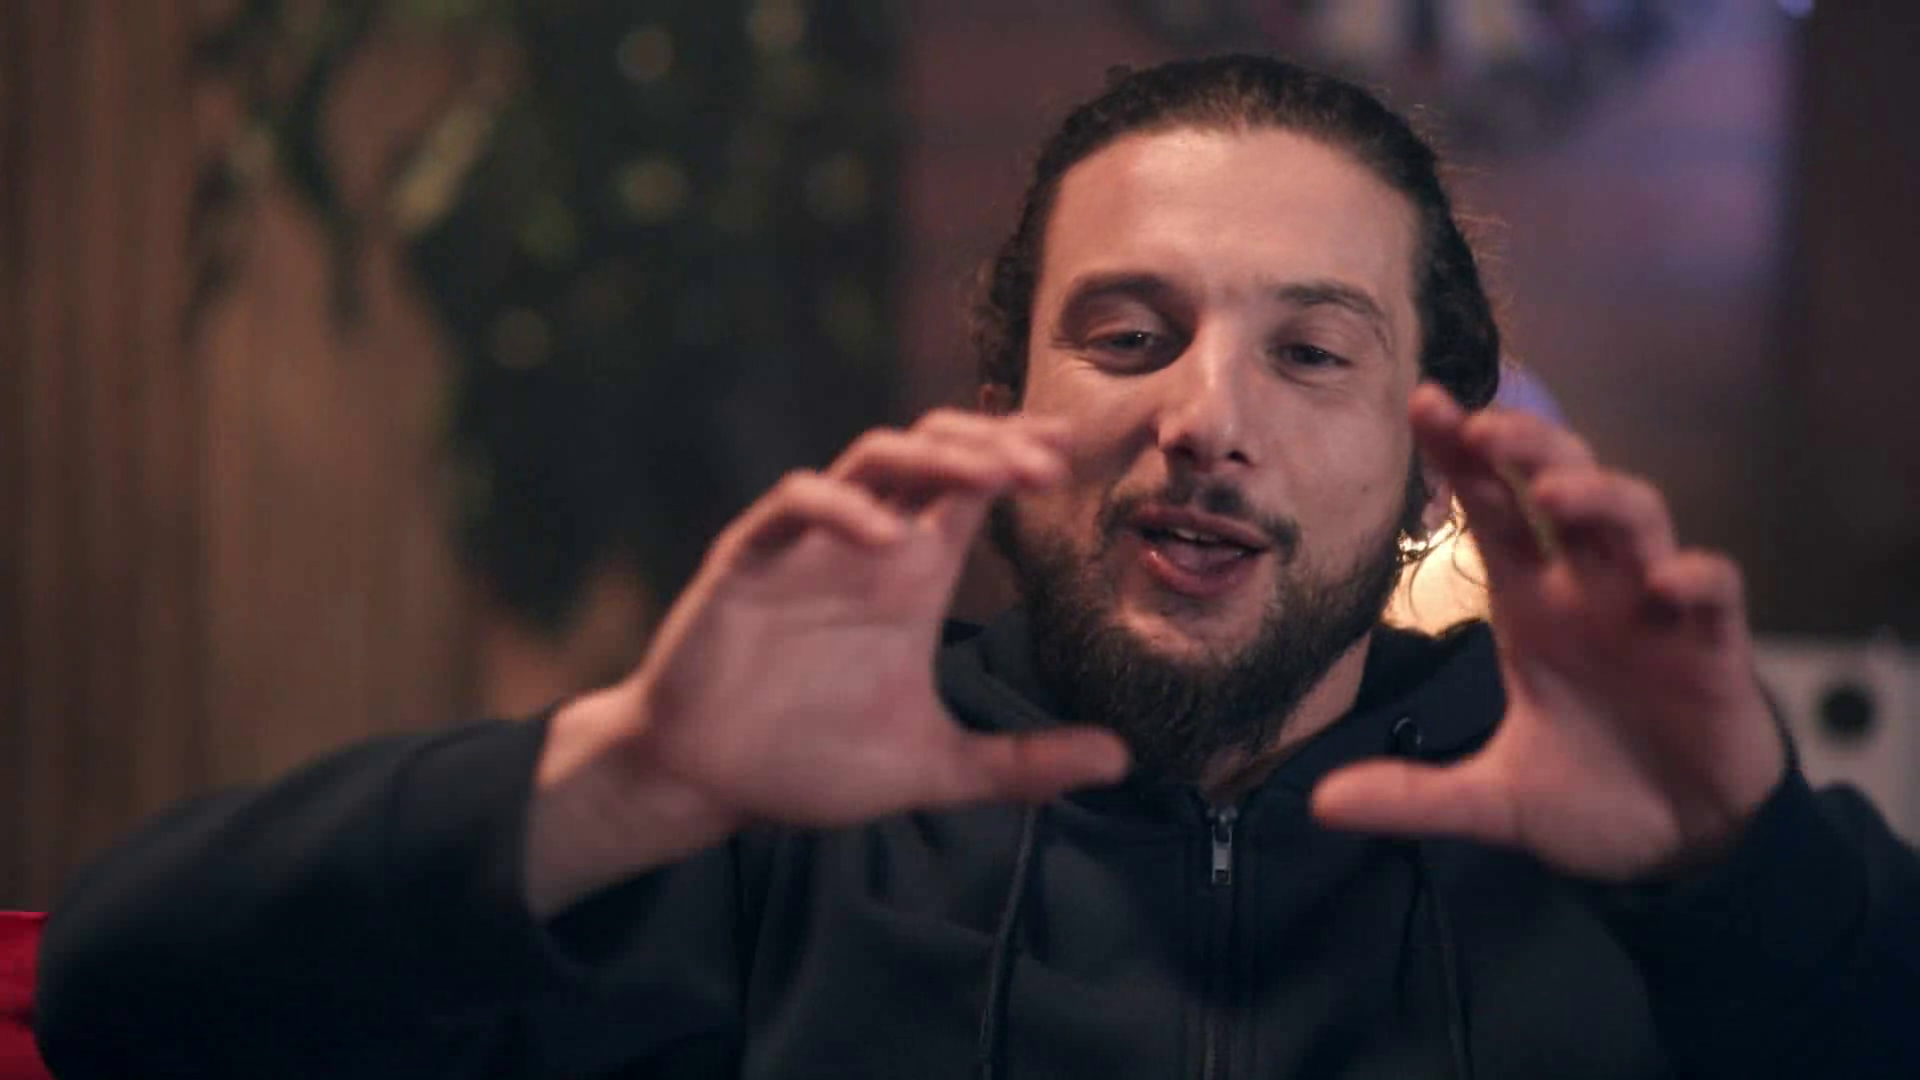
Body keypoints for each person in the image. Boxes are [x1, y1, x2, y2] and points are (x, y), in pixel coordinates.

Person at [33, 55, 1920, 1080]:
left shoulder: (1613, 850)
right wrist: (630, 776)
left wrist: (1740, 866)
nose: (1204, 416)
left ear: (1432, 452)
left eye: (1311, 352)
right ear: (1005, 402)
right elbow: (127, 999)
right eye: (1127, 336)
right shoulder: (789, 822)